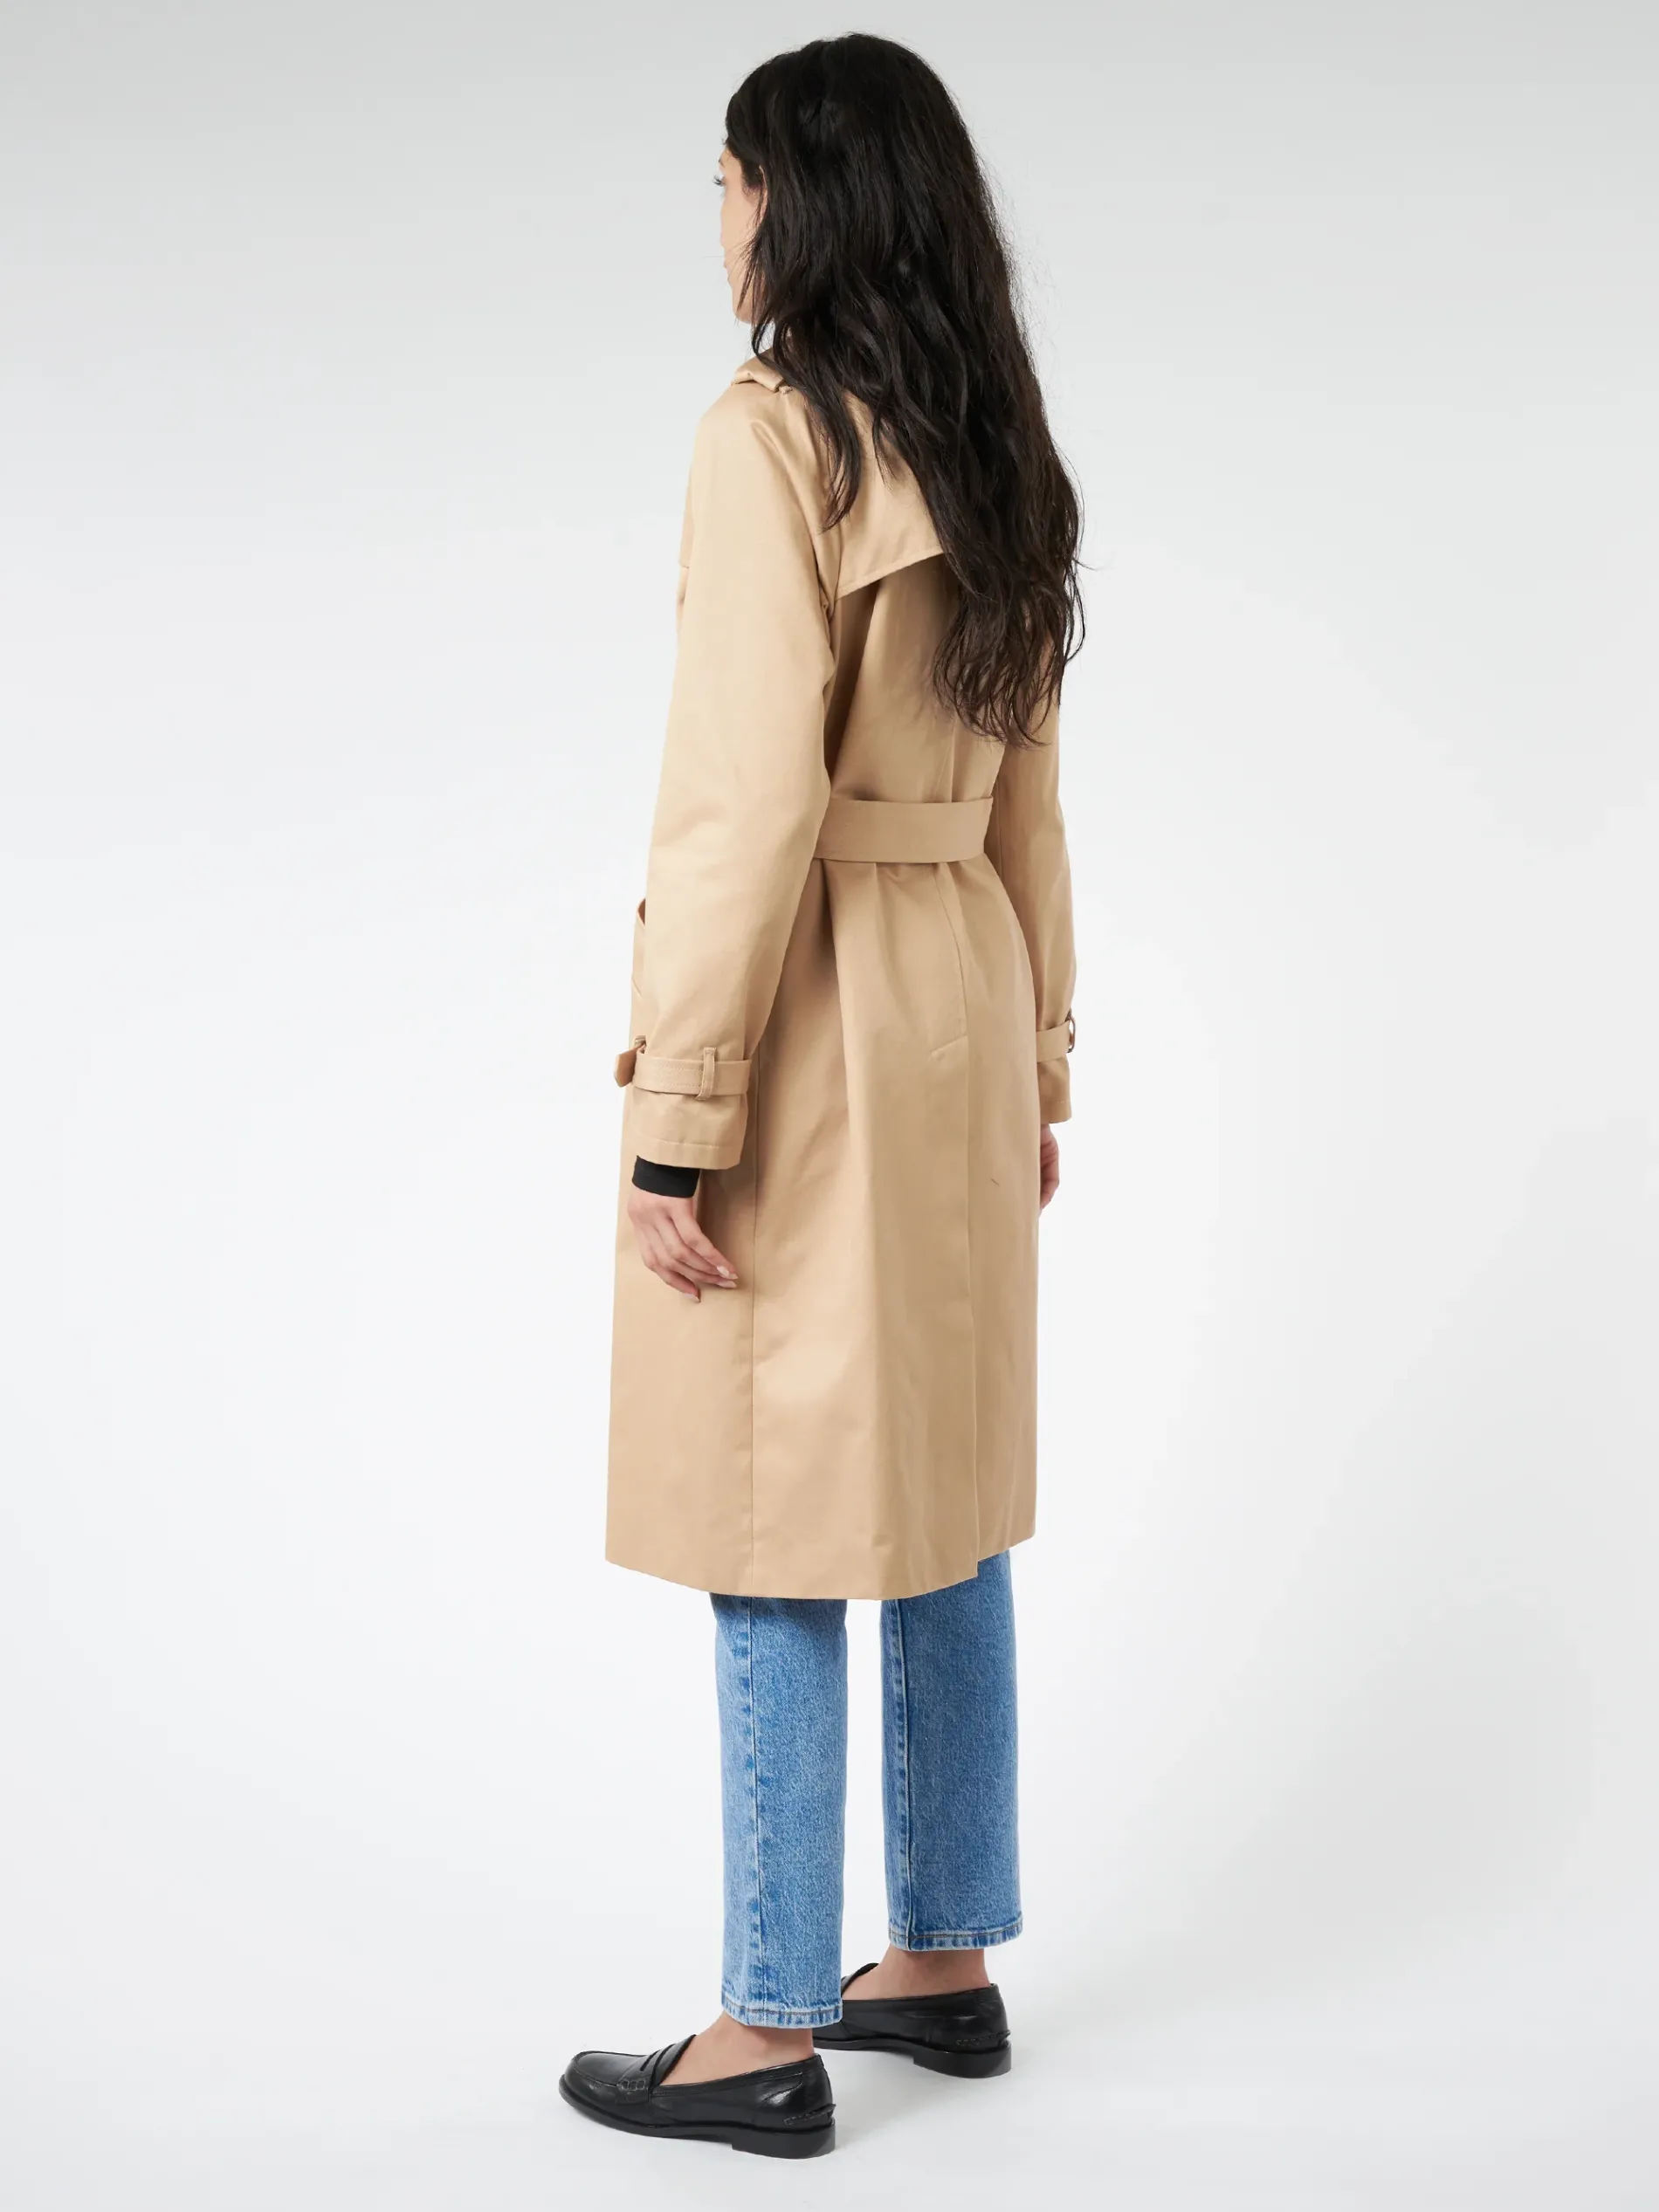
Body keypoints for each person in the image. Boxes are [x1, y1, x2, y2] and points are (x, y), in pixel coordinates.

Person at [560, 33, 1081, 2160]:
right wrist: (1038, 1053)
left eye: (725, 179)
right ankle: (939, 1956)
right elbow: (1031, 797)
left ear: (799, 202)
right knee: (935, 1481)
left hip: (820, 999)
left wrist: (674, 1108)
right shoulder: (991, 440)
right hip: (961, 971)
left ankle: (762, 2020)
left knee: (768, 1495)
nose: (717, 217)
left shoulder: (772, 434)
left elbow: (738, 803)